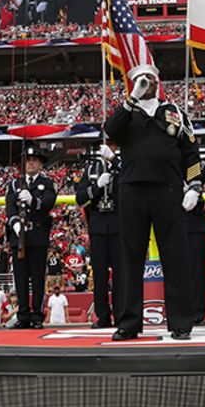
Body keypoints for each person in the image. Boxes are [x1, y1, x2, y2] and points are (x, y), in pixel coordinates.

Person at [103, 64, 203, 341]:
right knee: (129, 258)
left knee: (176, 256)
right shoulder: (127, 111)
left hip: (168, 190)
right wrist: (130, 99)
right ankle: (128, 323)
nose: (147, 83)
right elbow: (110, 129)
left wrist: (194, 186)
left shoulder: (174, 112)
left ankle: (181, 322)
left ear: (159, 81)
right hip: (131, 189)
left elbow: (191, 152)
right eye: (141, 80)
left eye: (151, 79)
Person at [6, 145, 58, 330]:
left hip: (37, 235)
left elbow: (48, 203)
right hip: (19, 235)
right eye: (28, 160)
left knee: (37, 278)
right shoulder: (14, 184)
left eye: (34, 160)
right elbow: (9, 207)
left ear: (40, 163)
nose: (31, 163)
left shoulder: (47, 183)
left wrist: (32, 201)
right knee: (20, 278)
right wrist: (15, 224)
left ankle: (37, 315)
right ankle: (23, 315)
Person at [75, 140, 122, 328]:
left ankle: (121, 313)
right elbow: (80, 197)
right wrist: (96, 188)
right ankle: (103, 315)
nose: (109, 147)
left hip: (118, 222)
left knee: (120, 274)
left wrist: (115, 160)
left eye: (112, 144)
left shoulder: (122, 166)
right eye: (106, 144)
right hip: (98, 223)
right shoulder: (92, 169)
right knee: (100, 275)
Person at [186, 164, 205, 326]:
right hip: (174, 219)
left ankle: (197, 313)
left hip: (195, 221)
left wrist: (192, 159)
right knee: (177, 271)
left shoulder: (192, 165)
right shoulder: (169, 159)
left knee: (197, 270)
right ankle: (178, 312)